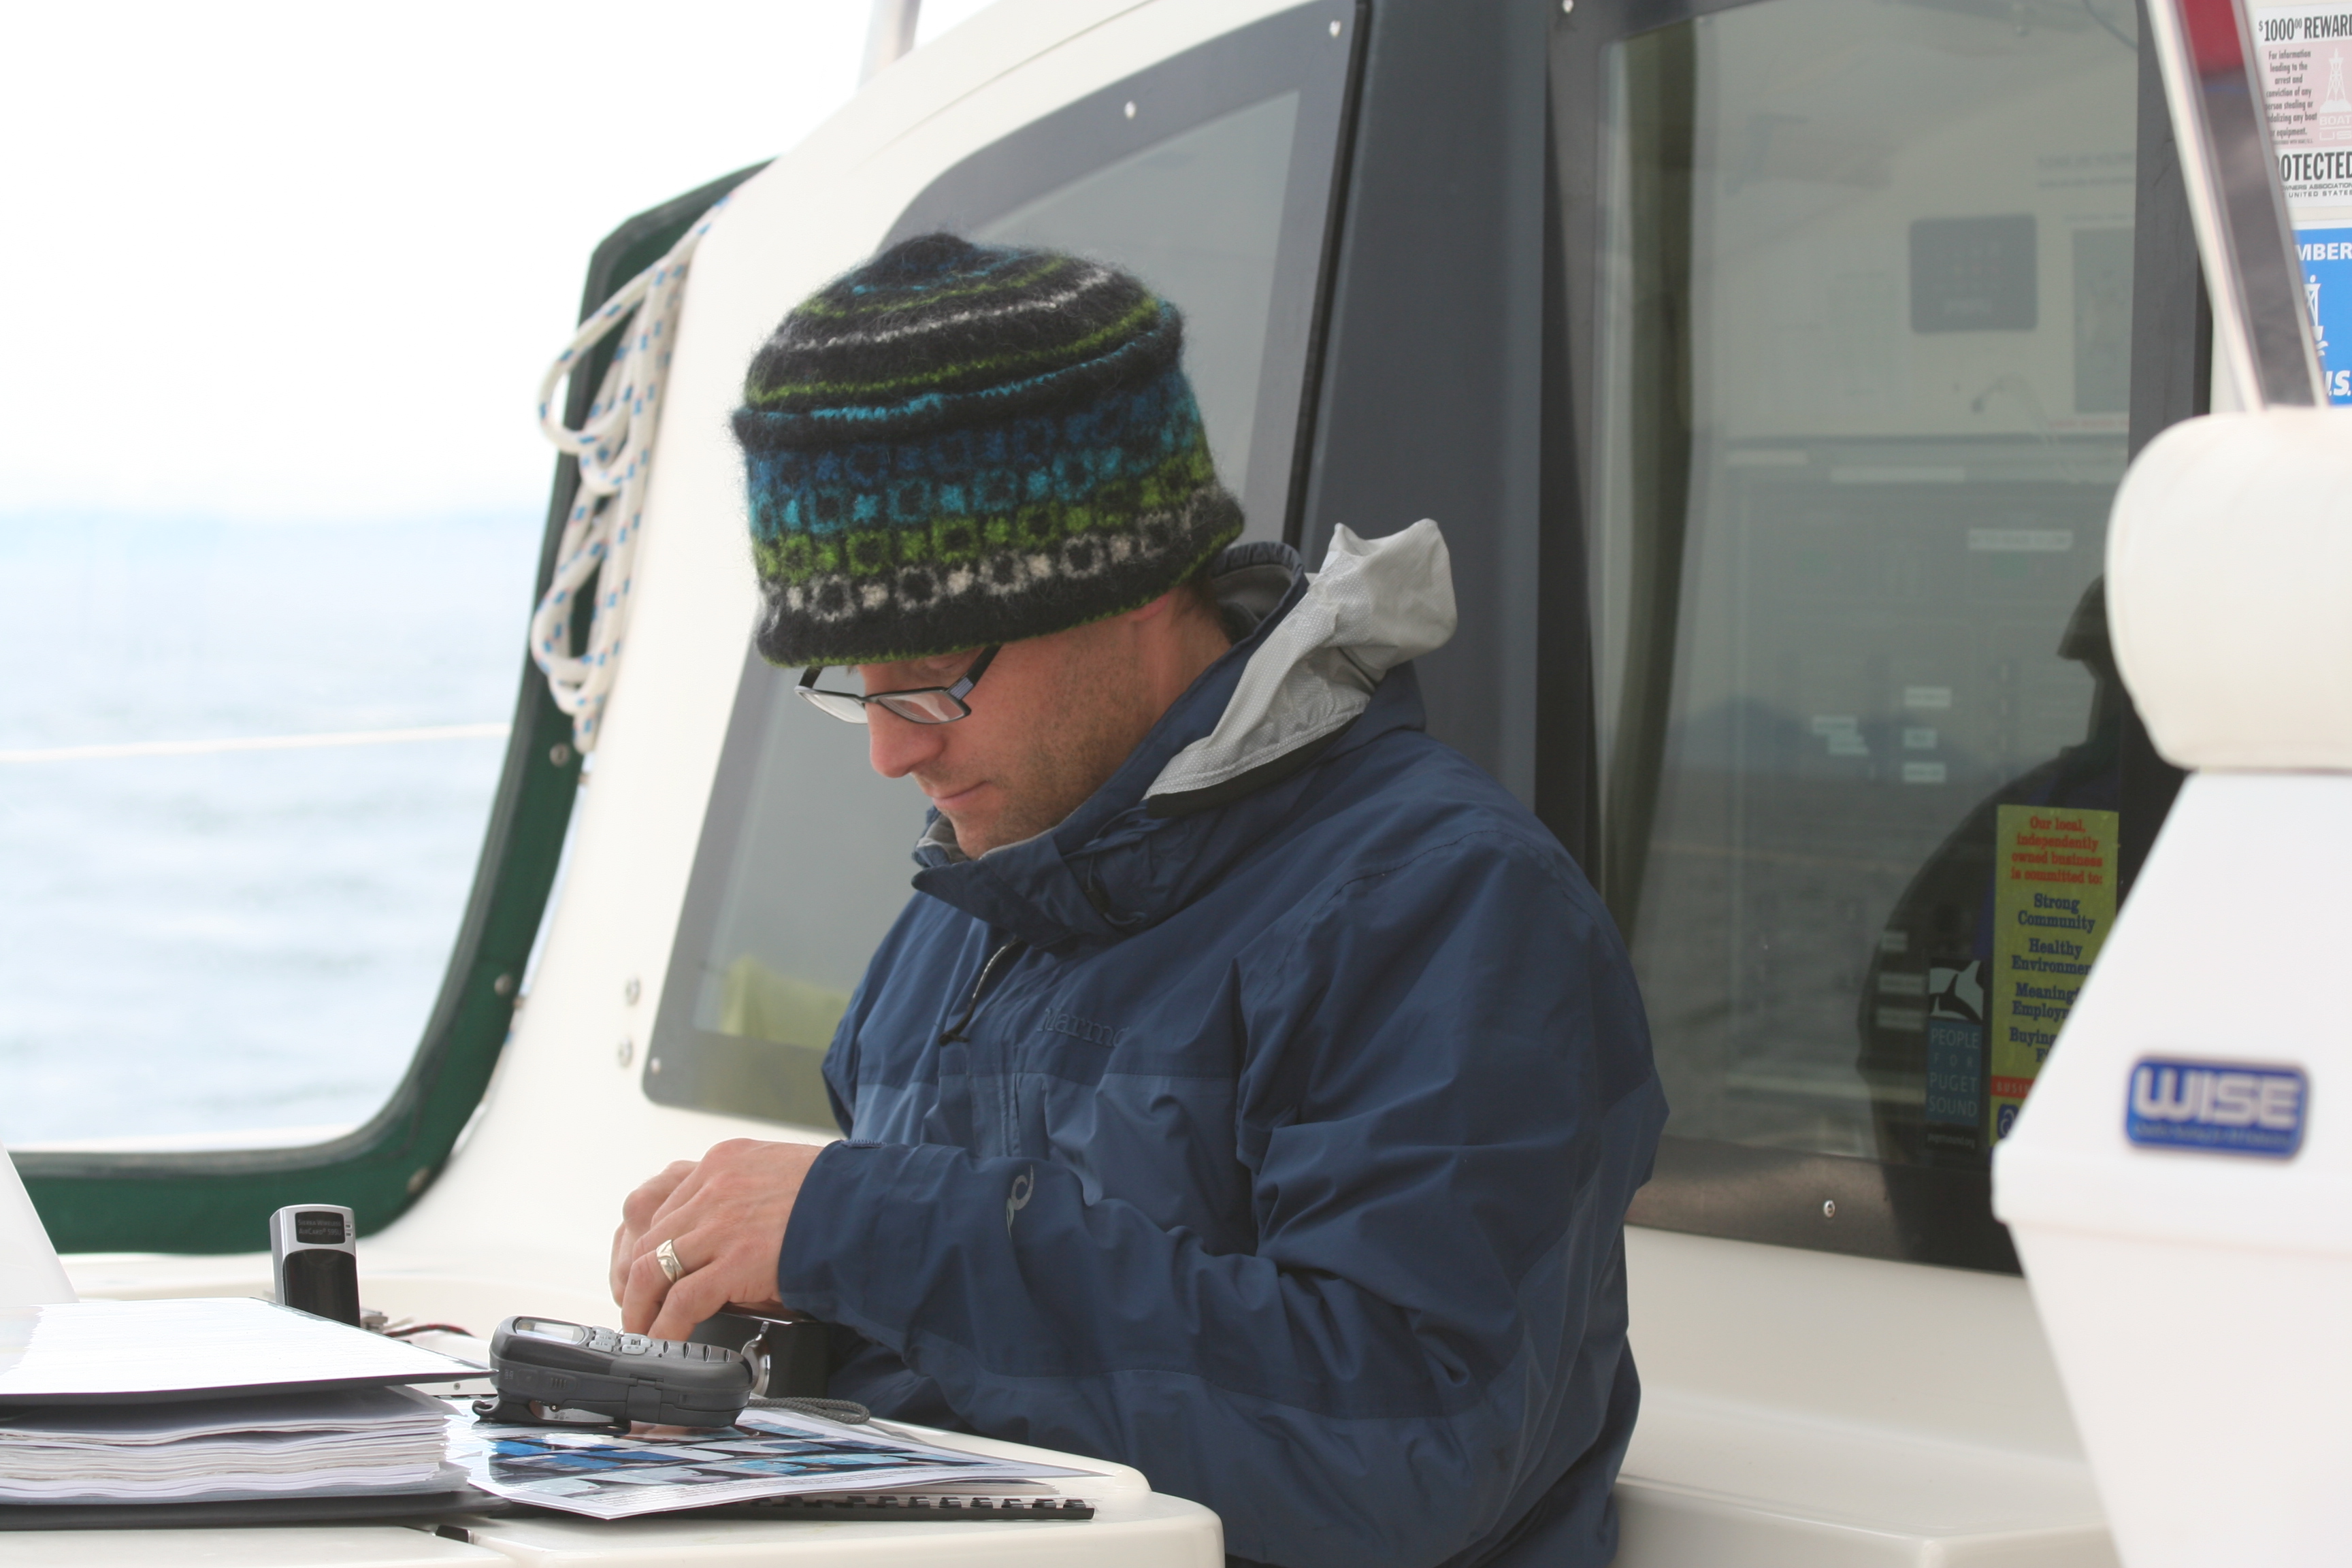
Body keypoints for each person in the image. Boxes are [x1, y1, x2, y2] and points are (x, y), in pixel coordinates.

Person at [608, 233, 1666, 1568]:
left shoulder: (1446, 906)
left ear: (1133, 586)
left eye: (929, 673)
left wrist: (873, 1232)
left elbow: (1414, 1439)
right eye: (851, 683)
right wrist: (756, 1318)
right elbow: (964, 1379)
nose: (888, 749)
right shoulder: (949, 929)